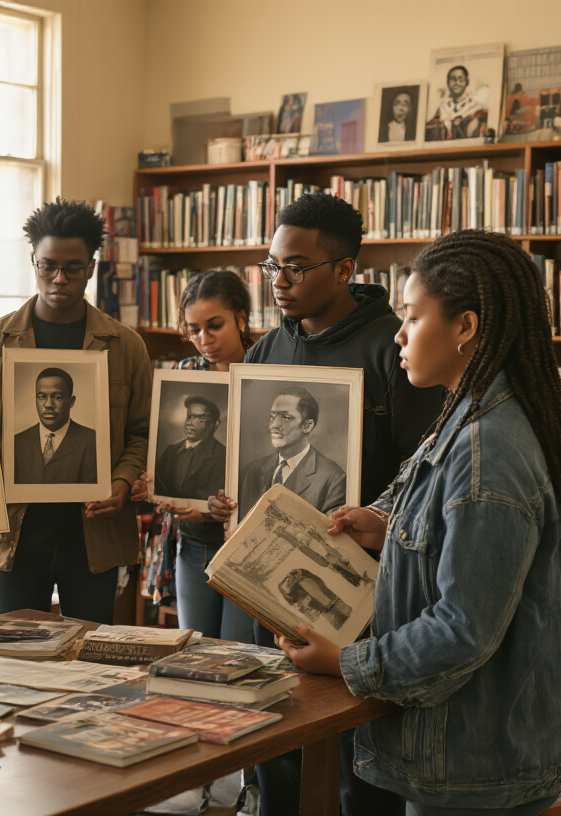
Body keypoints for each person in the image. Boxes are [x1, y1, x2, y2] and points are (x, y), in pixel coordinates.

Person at [280, 229, 561, 815]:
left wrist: (347, 663)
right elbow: (435, 512)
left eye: (413, 318)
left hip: (476, 761)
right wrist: (382, 521)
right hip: (467, 747)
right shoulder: (469, 411)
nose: (398, 334)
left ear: (465, 327)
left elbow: (463, 627)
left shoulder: (488, 448)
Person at [210, 193, 443, 816]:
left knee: (355, 750)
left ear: (343, 270)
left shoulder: (390, 347)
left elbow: (421, 469)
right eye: (271, 265)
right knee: (273, 727)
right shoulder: (265, 352)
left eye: (296, 267)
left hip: (359, 586)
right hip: (268, 573)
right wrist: (227, 495)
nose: (279, 283)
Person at [0, 197, 151, 625]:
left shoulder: (125, 345)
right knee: (14, 655)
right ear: (32, 261)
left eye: (73, 268)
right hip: (16, 531)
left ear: (91, 267)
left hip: (94, 534)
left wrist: (122, 482)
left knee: (93, 652)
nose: (59, 278)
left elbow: (143, 433)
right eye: (47, 265)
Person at [130, 270, 254, 643]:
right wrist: (153, 482)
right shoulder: (185, 373)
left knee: (238, 650)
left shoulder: (265, 373)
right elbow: (162, 455)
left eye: (214, 325)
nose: (204, 340)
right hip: (192, 539)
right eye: (194, 330)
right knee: (194, 646)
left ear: (242, 318)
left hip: (246, 543)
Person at [237, 386, 347, 516]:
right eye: (272, 417)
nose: (274, 425)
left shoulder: (333, 477)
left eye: (286, 417)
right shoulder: (252, 470)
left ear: (307, 426)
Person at [12, 367, 98, 484]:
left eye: (57, 397)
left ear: (71, 401)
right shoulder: (17, 442)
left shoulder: (92, 440)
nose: (48, 405)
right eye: (42, 397)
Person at [152, 396, 226, 501]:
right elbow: (156, 485)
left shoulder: (222, 456)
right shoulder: (171, 450)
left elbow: (213, 496)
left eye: (200, 418)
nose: (190, 423)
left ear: (216, 424)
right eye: (189, 416)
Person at [427, 65, 487, 141]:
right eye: (453, 79)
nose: (456, 83)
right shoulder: (442, 107)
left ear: (467, 82)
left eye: (460, 79)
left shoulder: (475, 106)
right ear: (447, 82)